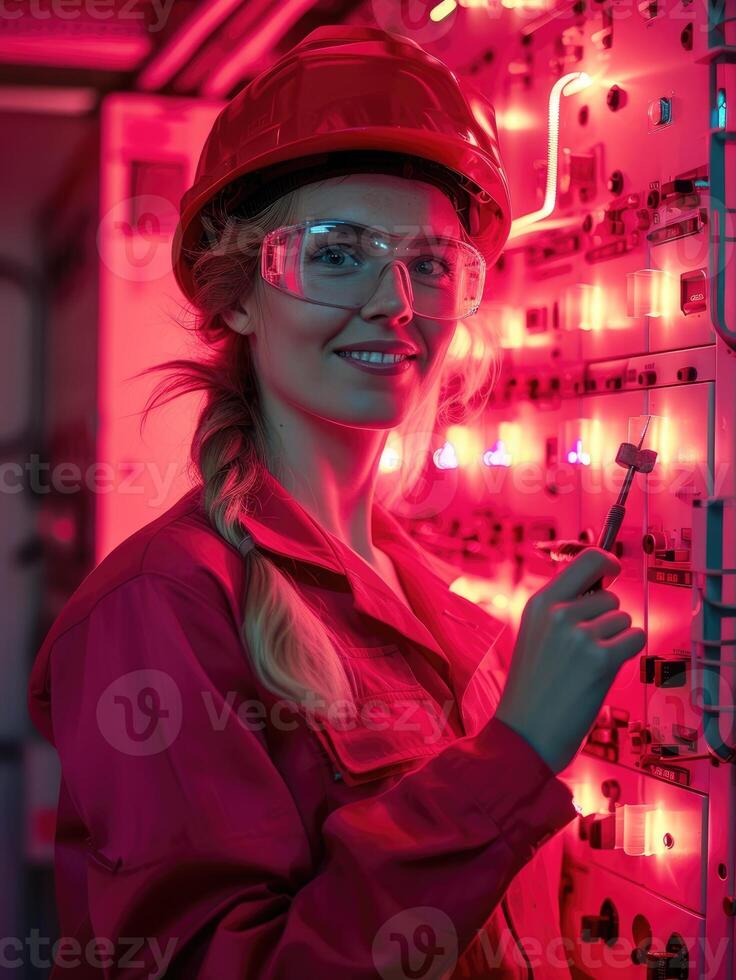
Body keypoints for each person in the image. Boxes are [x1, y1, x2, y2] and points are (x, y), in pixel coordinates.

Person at [27, 25, 647, 979]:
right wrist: (514, 753)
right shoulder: (162, 606)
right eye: (336, 253)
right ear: (237, 295)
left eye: (431, 263)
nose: (394, 299)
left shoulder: (444, 615)